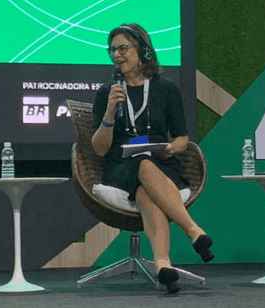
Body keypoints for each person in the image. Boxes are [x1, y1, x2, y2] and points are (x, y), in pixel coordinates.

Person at [91, 23, 214, 294]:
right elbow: (99, 149)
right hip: (122, 167)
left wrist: (172, 148)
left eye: (123, 48)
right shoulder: (107, 92)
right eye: (112, 50)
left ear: (143, 51)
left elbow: (182, 137)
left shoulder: (165, 89)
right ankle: (193, 231)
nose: (116, 55)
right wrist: (110, 111)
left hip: (162, 165)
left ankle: (162, 265)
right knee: (142, 164)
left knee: (147, 189)